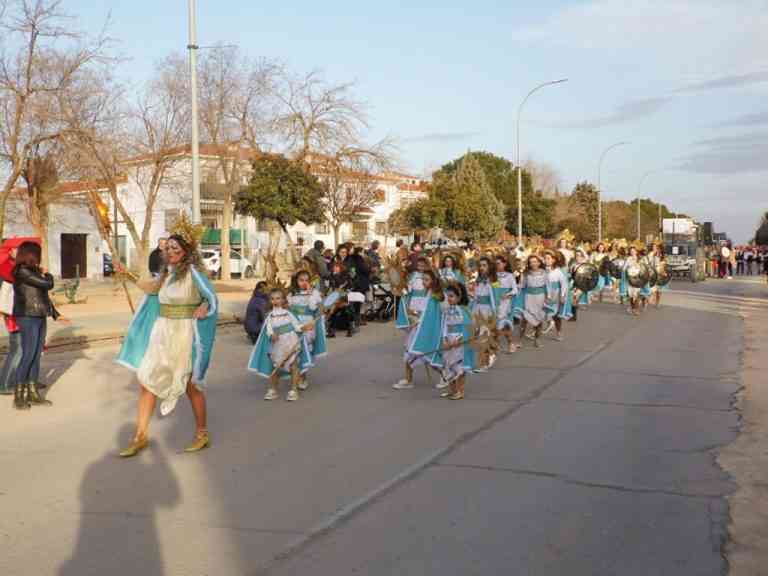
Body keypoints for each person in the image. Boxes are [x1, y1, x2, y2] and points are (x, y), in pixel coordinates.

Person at [116, 233, 218, 457]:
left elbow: (211, 297)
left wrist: (204, 306)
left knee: (191, 385)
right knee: (146, 381)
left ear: (186, 251)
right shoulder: (165, 275)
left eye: (176, 247)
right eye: (168, 248)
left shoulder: (193, 273)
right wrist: (126, 273)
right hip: (162, 334)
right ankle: (140, 436)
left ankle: (202, 433)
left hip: (185, 333)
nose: (171, 251)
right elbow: (150, 289)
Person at [12, 241, 63, 410]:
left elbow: (43, 296)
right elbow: (48, 285)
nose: (40, 258)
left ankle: (33, 392)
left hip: (39, 315)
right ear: (31, 255)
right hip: (27, 316)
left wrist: (55, 314)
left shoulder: (33, 272)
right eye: (38, 254)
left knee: (36, 355)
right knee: (28, 355)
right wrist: (48, 275)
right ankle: (19, 395)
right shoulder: (22, 271)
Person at [248, 288, 313, 401]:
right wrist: (272, 335)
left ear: (283, 300)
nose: (275, 301)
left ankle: (293, 390)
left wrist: (304, 327)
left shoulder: (289, 314)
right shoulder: (270, 316)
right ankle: (273, 389)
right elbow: (268, 330)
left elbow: (297, 326)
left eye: (278, 298)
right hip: (277, 345)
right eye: (272, 299)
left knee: (293, 366)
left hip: (290, 342)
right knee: (275, 368)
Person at [393, 267, 443, 389]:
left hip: (425, 330)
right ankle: (408, 380)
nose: (423, 282)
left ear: (433, 281)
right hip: (417, 329)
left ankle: (445, 375)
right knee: (409, 353)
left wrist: (420, 320)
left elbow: (434, 315)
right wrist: (412, 314)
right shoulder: (425, 294)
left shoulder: (436, 296)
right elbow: (420, 312)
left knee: (428, 356)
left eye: (426, 280)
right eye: (423, 279)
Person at [431, 282, 475, 400]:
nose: (449, 298)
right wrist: (445, 339)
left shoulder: (463, 310)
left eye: (451, 296)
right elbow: (444, 325)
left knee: (459, 367)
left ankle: (460, 391)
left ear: (459, 297)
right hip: (448, 341)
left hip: (459, 342)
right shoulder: (446, 310)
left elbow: (466, 326)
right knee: (448, 366)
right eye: (447, 296)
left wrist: (458, 340)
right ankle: (452, 390)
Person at [288, 269, 327, 391]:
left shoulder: (314, 294)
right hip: (294, 326)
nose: (304, 282)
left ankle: (303, 377)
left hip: (308, 327)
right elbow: (288, 311)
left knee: (303, 351)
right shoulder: (290, 295)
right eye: (301, 280)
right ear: (296, 281)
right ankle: (296, 374)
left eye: (306, 280)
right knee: (294, 353)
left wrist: (313, 297)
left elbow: (319, 310)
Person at [515, 253, 549, 348]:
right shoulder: (526, 273)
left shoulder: (544, 273)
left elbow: (548, 286)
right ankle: (519, 340)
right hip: (529, 298)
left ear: (539, 262)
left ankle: (537, 339)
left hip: (540, 298)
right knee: (524, 319)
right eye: (531, 262)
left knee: (539, 319)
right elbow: (522, 286)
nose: (533, 264)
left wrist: (548, 297)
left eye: (535, 261)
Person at [0, 247, 20, 396]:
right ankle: (5, 383)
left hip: (16, 311)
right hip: (11, 313)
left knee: (19, 349)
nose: (19, 251)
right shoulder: (5, 266)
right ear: (10, 250)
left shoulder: (13, 264)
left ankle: (13, 381)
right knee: (16, 349)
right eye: (16, 249)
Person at [543, 250, 570, 341]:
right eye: (545, 258)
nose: (546, 260)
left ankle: (559, 332)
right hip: (545, 293)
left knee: (556, 315)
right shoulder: (543, 270)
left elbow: (564, 284)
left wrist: (562, 296)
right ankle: (547, 324)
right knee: (542, 311)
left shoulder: (558, 271)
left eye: (548, 258)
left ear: (553, 260)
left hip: (556, 293)